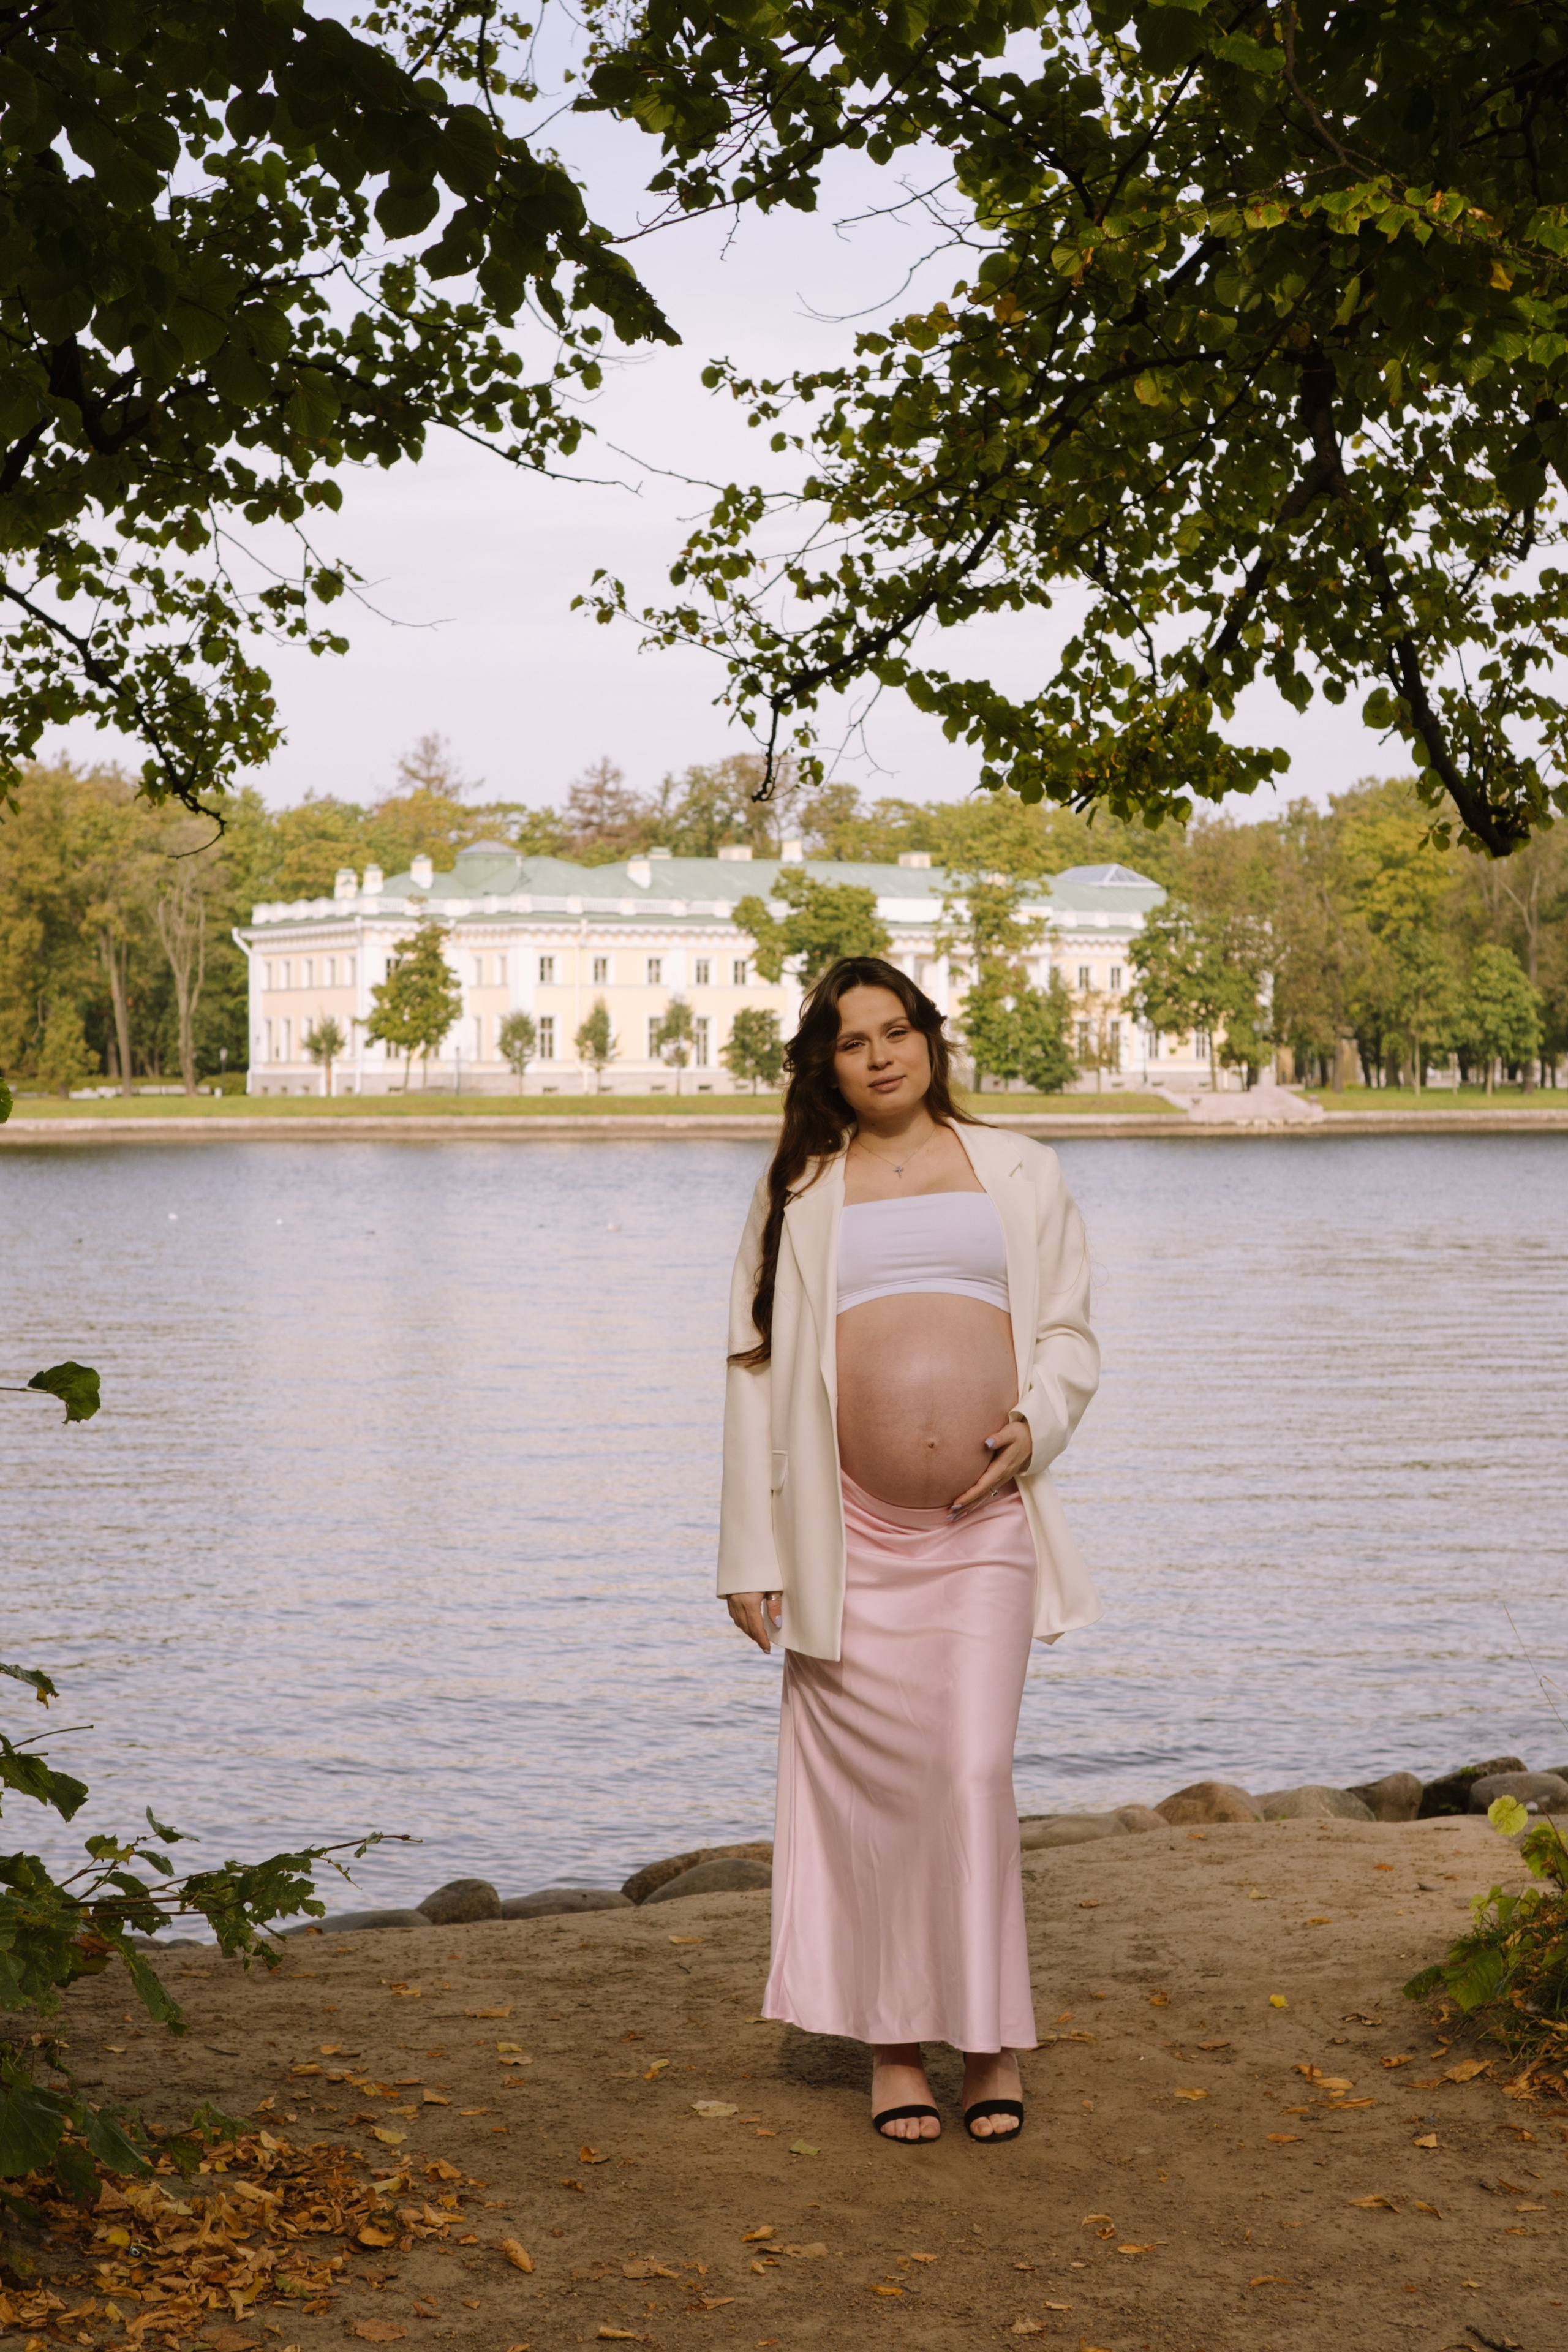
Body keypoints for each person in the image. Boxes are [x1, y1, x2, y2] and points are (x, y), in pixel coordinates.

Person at [718, 956, 1101, 2145]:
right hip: (845, 1537)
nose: (879, 1055)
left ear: (929, 1039)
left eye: (896, 1031)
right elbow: (751, 1369)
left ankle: (985, 2041)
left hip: (979, 1527)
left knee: (969, 1773)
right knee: (870, 1798)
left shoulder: (1019, 1173)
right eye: (851, 1041)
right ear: (822, 1064)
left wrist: (1034, 1425)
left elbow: (1067, 1336)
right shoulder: (799, 1189)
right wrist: (750, 1548)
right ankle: (893, 2047)